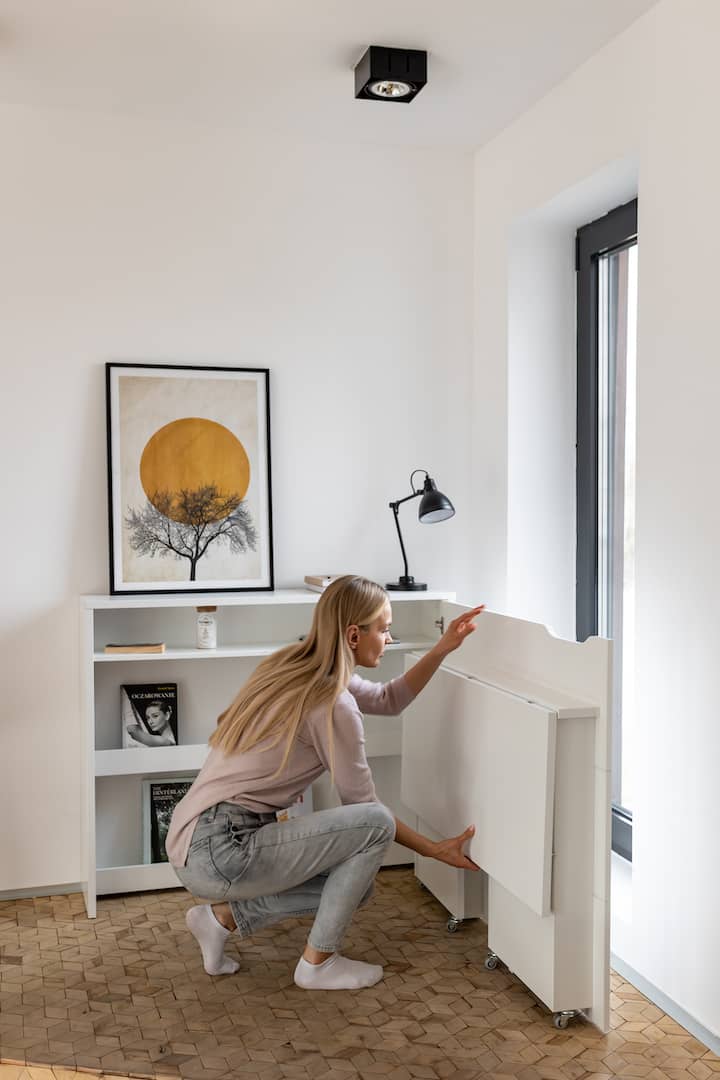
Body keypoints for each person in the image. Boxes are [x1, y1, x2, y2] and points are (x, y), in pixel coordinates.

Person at [166, 575, 484, 990]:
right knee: (375, 827)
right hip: (225, 847)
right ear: (354, 634)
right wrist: (434, 849)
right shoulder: (334, 704)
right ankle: (318, 963)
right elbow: (367, 813)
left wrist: (442, 648)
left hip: (192, 841)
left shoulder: (296, 666)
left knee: (353, 887)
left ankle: (219, 920)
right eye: (384, 629)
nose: (389, 639)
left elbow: (389, 699)